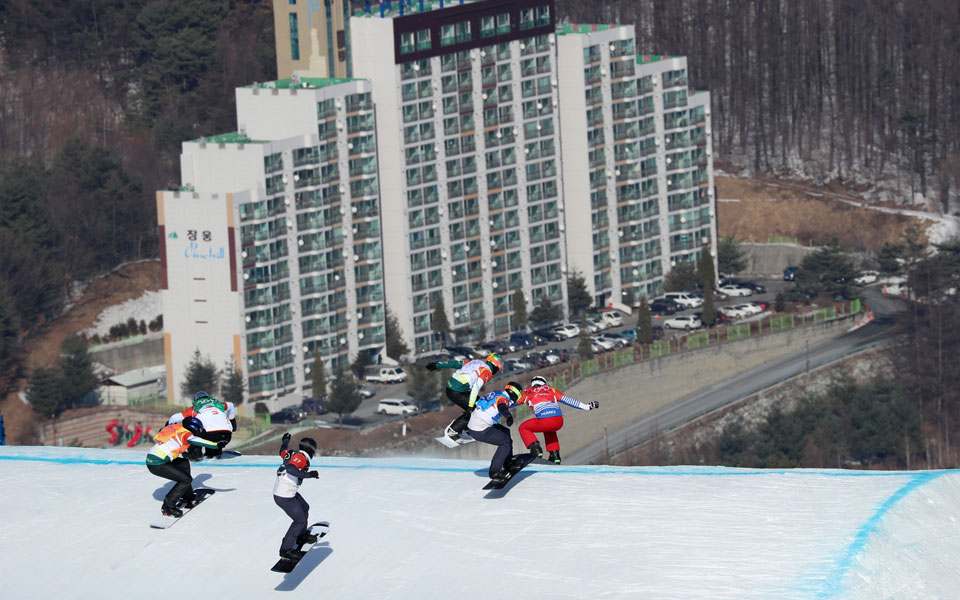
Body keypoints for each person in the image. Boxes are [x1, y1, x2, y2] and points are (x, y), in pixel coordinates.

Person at [145, 416, 223, 517]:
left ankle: (188, 496)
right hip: (157, 463)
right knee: (185, 480)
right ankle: (168, 507)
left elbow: (164, 431)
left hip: (154, 457)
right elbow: (196, 440)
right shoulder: (187, 435)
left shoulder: (176, 427)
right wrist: (216, 445)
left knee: (184, 463)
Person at [517, 375, 599, 464]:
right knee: (549, 430)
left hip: (545, 421)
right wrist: (587, 407)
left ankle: (536, 449)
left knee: (523, 427)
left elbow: (513, 402)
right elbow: (569, 400)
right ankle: (555, 455)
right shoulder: (551, 390)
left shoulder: (528, 392)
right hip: (558, 421)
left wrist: (502, 405)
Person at [425, 353, 502, 441]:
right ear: (496, 366)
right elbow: (476, 388)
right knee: (475, 410)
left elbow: (456, 364)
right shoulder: (487, 372)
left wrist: (437, 365)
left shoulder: (477, 362)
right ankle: (453, 431)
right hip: (457, 391)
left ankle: (467, 428)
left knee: (479, 403)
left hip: (453, 387)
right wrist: (470, 407)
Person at [466, 382, 525, 483]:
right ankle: (494, 472)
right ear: (514, 394)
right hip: (480, 428)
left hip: (477, 424)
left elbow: (502, 404)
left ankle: (507, 462)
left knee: (506, 431)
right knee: (505, 442)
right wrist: (508, 416)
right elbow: (502, 406)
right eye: (517, 396)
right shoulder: (503, 399)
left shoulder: (498, 393)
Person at [274, 433, 320, 560]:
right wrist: (309, 475)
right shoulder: (301, 457)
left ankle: (301, 535)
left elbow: (282, 451)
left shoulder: (291, 454)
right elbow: (291, 469)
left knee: (305, 508)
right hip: (285, 496)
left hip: (286, 492)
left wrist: (285, 441)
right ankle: (285, 549)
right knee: (299, 521)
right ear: (310, 450)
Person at [167, 391, 237, 459]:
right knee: (210, 427)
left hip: (210, 436)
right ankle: (214, 452)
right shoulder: (218, 404)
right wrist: (233, 423)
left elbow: (174, 418)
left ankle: (194, 453)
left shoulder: (194, 409)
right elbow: (231, 405)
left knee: (187, 422)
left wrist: (168, 426)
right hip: (227, 436)